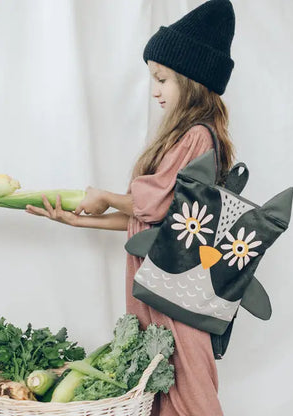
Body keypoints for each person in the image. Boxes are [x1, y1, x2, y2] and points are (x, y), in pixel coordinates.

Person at [26, 1, 237, 414]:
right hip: (156, 288)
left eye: (162, 79)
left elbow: (154, 203)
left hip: (175, 292)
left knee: (192, 393)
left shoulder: (198, 137)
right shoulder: (185, 136)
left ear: (192, 80)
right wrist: (84, 220)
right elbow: (152, 218)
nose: (155, 90)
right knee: (162, 390)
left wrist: (104, 196)